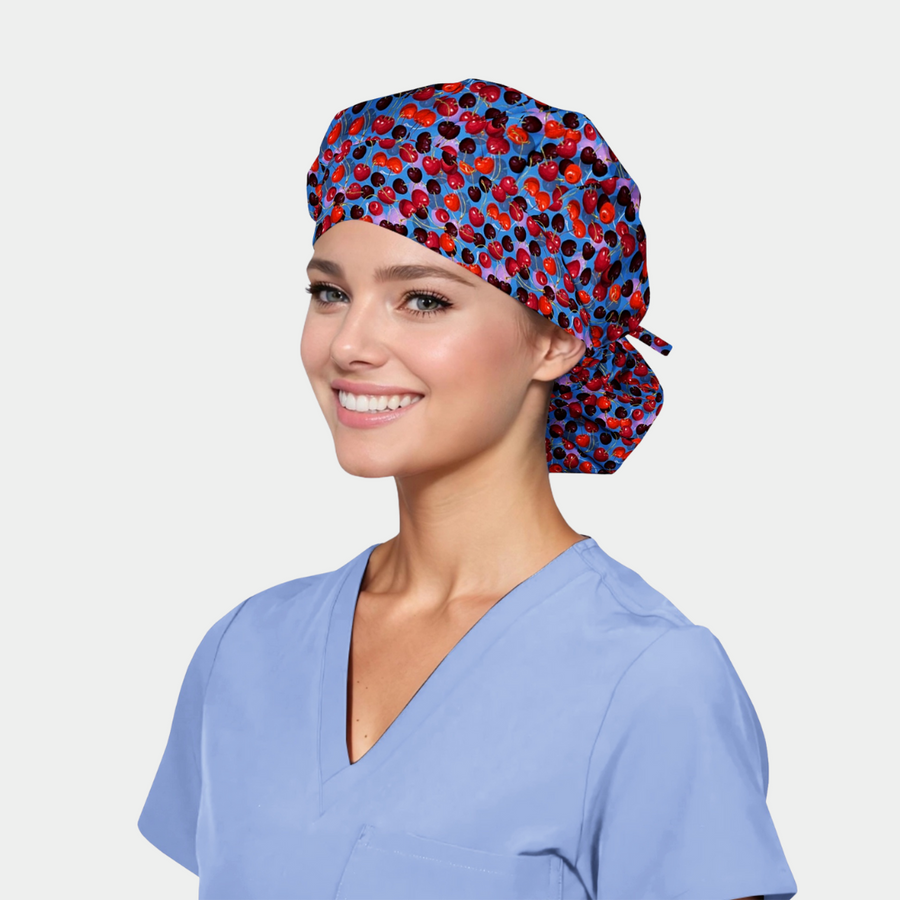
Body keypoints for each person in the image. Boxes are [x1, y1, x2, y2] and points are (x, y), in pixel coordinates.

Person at [138, 77, 798, 900]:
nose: (348, 345)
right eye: (330, 293)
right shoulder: (246, 650)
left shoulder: (649, 680)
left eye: (422, 300)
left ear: (557, 339)